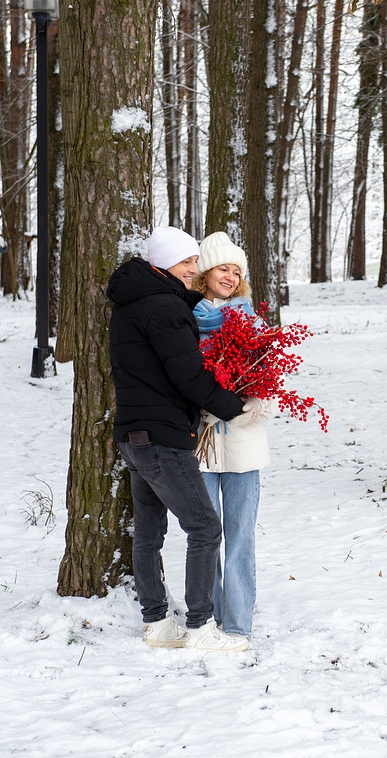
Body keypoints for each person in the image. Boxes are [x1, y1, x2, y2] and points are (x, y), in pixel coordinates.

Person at [107, 226, 260, 652]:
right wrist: (238, 407)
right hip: (163, 436)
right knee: (206, 527)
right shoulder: (164, 309)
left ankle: (157, 623)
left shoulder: (134, 301)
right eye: (188, 262)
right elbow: (190, 377)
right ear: (165, 264)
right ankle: (200, 627)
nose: (195, 270)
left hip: (132, 434)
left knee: (149, 532)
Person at [191, 231, 274, 640]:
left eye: (236, 270)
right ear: (205, 272)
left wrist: (255, 403)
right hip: (202, 444)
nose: (229, 276)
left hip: (243, 444)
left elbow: (271, 376)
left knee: (239, 538)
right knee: (206, 537)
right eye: (223, 267)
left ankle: (239, 624)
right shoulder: (188, 319)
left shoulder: (250, 321)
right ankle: (210, 617)